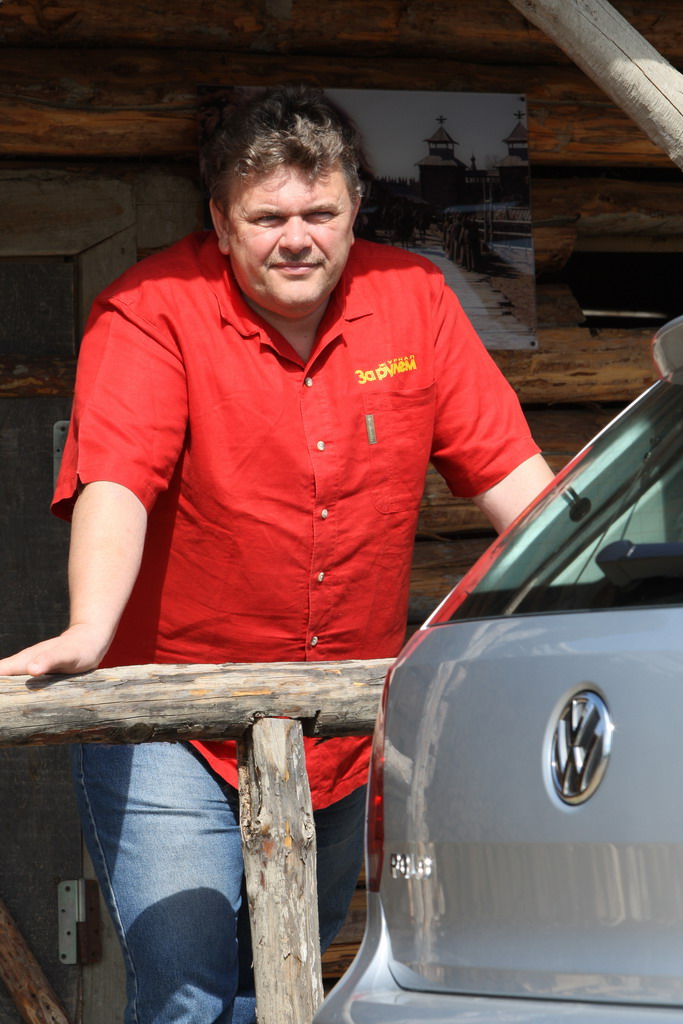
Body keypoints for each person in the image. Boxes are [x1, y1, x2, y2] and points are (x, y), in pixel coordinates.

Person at [0, 84, 554, 1023]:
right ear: (221, 224)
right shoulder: (149, 310)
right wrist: (89, 630)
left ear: (354, 210)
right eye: (266, 219)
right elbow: (118, 480)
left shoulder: (414, 301)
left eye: (318, 213)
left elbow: (513, 479)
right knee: (187, 997)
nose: (296, 239)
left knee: (282, 984)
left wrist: (591, 589)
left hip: (337, 726)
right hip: (172, 719)